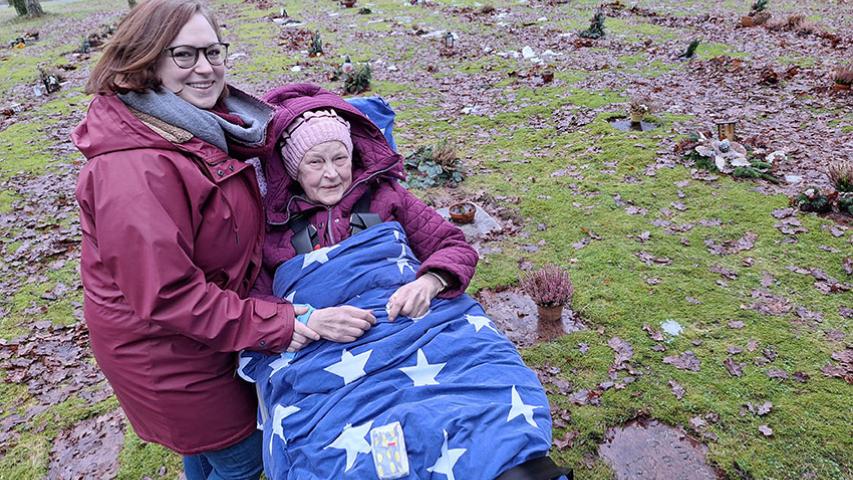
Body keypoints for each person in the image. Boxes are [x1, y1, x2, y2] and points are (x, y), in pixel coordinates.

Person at [72, 1, 369, 478]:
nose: (205, 67)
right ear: (146, 60)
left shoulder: (193, 126)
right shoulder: (135, 169)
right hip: (169, 356)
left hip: (210, 331)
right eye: (184, 55)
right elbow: (169, 295)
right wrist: (283, 322)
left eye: (213, 51)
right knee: (243, 457)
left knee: (208, 452)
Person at [253, 84, 479, 328]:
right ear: (293, 170)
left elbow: (455, 247)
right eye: (315, 162)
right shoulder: (274, 225)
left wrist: (430, 281)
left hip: (412, 322)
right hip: (328, 340)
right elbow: (253, 301)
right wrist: (304, 319)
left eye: (340, 159)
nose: (331, 173)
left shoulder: (386, 195)